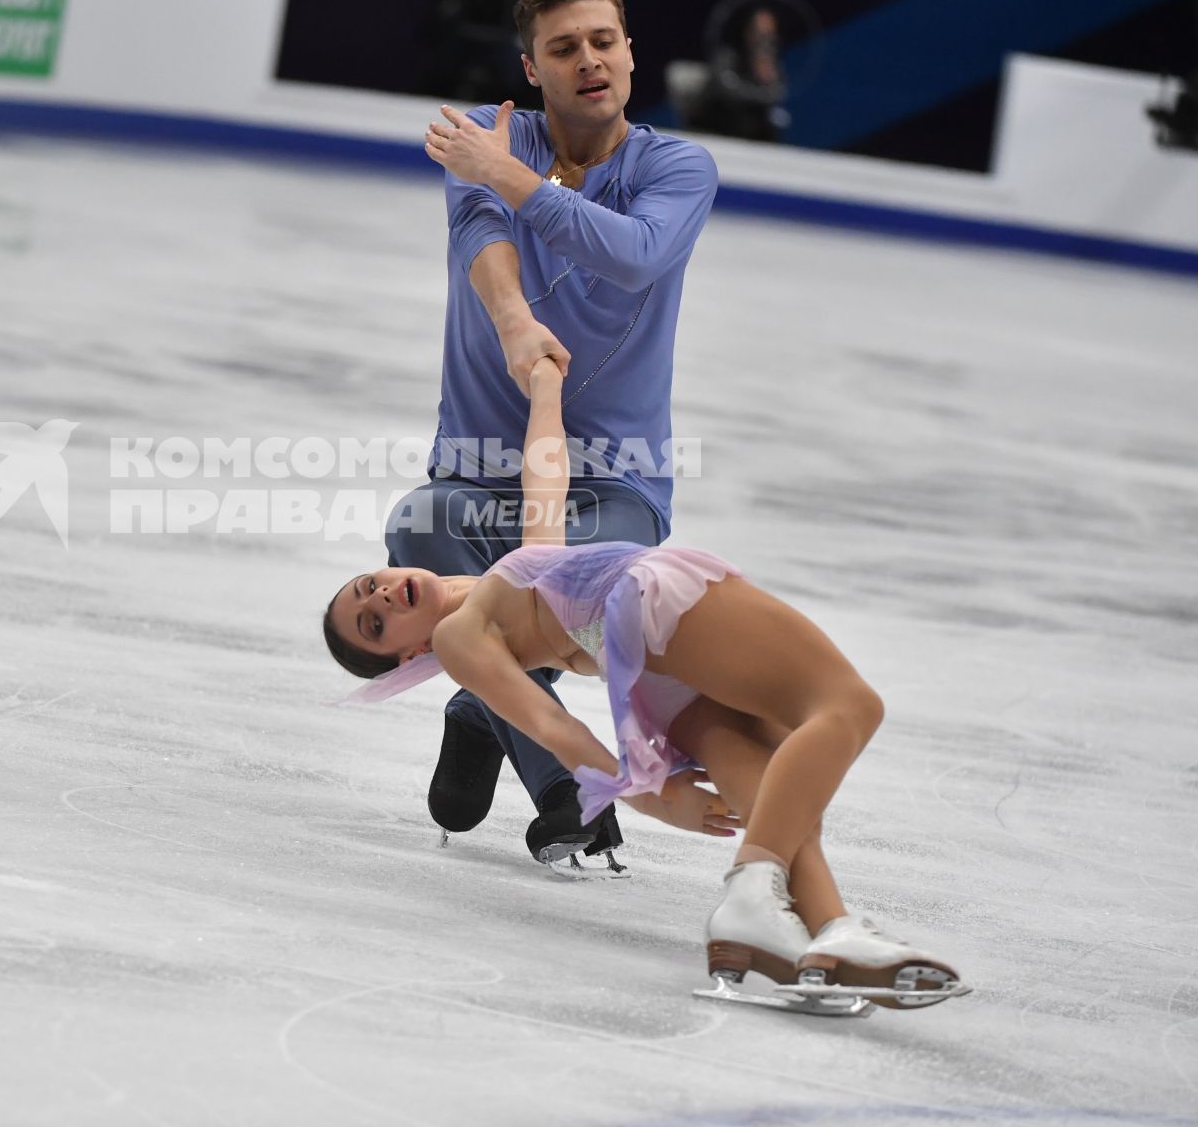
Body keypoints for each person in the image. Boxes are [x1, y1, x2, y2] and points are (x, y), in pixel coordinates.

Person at [327, 358, 967, 1011]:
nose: (380, 595)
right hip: (650, 604)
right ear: (408, 657)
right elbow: (552, 727)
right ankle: (751, 898)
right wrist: (649, 797)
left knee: (769, 777)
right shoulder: (459, 639)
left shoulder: (492, 591)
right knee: (847, 705)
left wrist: (546, 391)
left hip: (643, 669)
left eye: (364, 587)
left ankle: (825, 932)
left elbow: (545, 477)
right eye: (374, 623)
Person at [389, 0, 718, 871]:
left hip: (616, 473)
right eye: (564, 48)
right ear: (530, 68)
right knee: (419, 527)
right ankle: (564, 787)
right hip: (479, 461)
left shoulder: (676, 166)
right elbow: (480, 236)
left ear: (630, 51)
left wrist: (505, 175)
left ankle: (476, 707)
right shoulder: (491, 140)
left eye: (604, 41)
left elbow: (637, 257)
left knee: (573, 591)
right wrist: (511, 320)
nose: (589, 61)